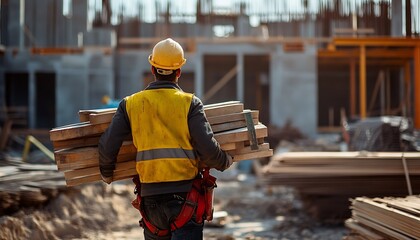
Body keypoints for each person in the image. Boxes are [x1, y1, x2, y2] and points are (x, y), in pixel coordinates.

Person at [98, 38, 233, 240]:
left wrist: (107, 173)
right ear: (178, 71)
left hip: (150, 202)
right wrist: (224, 161)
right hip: (186, 199)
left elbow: (108, 145)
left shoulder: (129, 105)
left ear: (152, 68)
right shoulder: (190, 104)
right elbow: (208, 149)